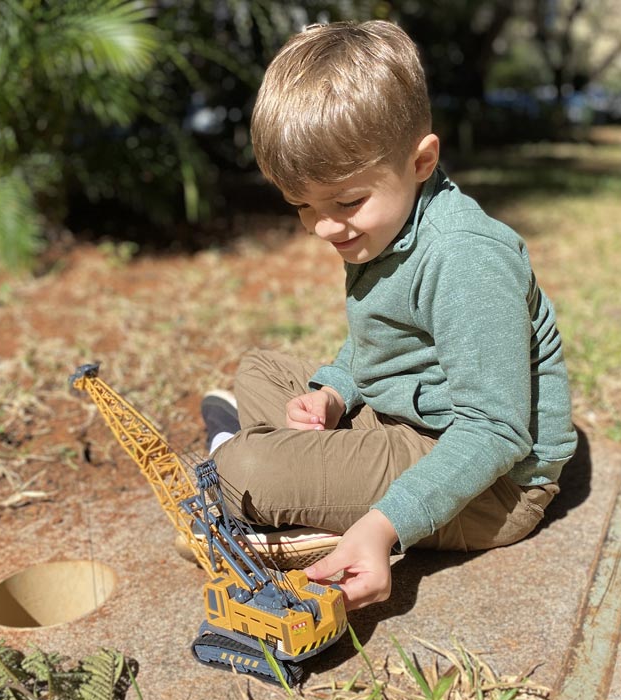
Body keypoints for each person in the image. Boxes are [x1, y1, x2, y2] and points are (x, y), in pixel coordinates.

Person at [200, 20, 578, 611]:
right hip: (411, 423)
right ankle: (282, 477)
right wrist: (332, 393)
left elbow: (496, 430)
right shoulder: (388, 224)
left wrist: (385, 526)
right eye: (302, 205)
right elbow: (386, 338)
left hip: (491, 484)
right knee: (262, 370)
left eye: (346, 202)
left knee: (244, 467)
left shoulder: (465, 257)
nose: (324, 226)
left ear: (422, 160)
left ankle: (261, 482)